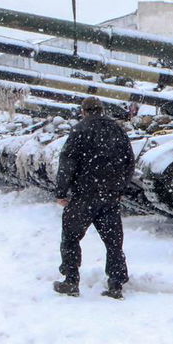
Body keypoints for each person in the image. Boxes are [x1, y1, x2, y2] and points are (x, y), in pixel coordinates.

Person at [53, 96, 135, 299]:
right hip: (109, 195)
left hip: (84, 194)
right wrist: (120, 189)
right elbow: (129, 161)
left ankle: (71, 280)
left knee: (71, 238)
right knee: (113, 242)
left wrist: (61, 192)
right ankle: (116, 283)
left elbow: (67, 163)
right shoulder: (117, 130)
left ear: (83, 111)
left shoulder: (79, 130)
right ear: (102, 110)